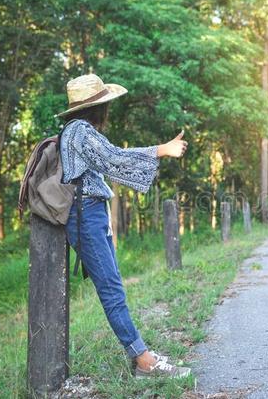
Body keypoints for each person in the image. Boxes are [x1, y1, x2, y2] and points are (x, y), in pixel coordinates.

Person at [55, 73, 190, 378]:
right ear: (97, 108)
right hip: (85, 215)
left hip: (92, 214)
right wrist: (162, 149)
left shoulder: (79, 130)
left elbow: (99, 173)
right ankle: (143, 362)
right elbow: (113, 158)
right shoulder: (79, 131)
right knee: (112, 290)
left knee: (114, 286)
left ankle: (140, 353)